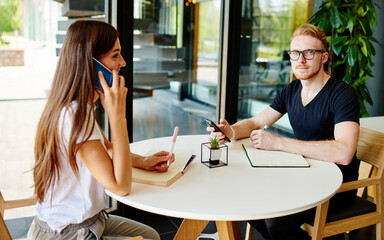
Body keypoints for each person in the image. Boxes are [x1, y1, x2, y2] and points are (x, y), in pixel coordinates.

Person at [208, 23, 360, 240]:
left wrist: (278, 143)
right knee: (248, 200)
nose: (301, 60)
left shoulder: (342, 94)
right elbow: (255, 122)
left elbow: (344, 153)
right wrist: (230, 131)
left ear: (324, 57)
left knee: (276, 221)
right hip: (303, 174)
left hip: (336, 184)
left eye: (309, 53)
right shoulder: (291, 90)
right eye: (295, 53)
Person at [28, 20, 174, 240]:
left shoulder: (77, 107)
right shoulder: (73, 115)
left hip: (91, 220)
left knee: (151, 235)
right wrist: (118, 118)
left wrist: (142, 161)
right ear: (91, 63)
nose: (123, 62)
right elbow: (120, 187)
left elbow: (105, 146)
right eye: (115, 56)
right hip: (67, 232)